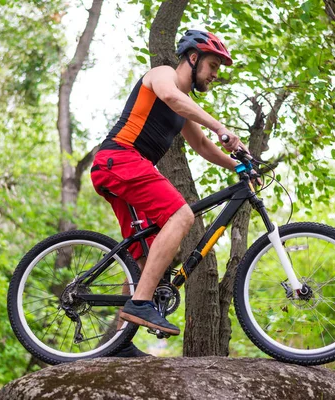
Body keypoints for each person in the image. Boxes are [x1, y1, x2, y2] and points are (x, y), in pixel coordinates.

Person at [90, 30, 247, 357]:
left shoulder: (183, 108)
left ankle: (119, 342)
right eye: (213, 65)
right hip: (120, 157)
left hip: (122, 168)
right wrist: (221, 127)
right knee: (182, 215)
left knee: (145, 257)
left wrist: (240, 166)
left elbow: (202, 145)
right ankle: (141, 302)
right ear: (193, 58)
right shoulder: (162, 75)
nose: (215, 74)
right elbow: (173, 98)